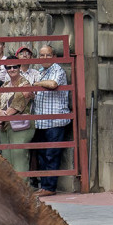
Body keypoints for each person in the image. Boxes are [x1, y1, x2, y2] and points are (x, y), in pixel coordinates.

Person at [31, 45, 71, 196]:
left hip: (55, 121)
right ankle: (44, 186)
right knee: (42, 154)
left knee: (52, 154)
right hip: (41, 121)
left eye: (48, 55)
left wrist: (36, 84)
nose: (45, 58)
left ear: (54, 56)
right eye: (42, 55)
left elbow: (53, 84)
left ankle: (49, 187)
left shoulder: (57, 70)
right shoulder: (41, 71)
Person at [0, 58, 33, 175]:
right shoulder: (5, 85)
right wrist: (0, 114)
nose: (12, 69)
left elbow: (18, 104)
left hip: (21, 125)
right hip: (5, 125)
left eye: (15, 67)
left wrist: (2, 117)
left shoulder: (25, 84)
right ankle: (11, 185)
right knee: (7, 158)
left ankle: (22, 185)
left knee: (19, 157)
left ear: (19, 67)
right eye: (8, 67)